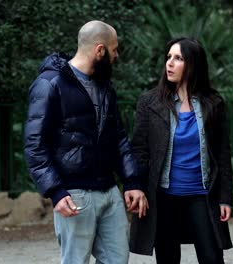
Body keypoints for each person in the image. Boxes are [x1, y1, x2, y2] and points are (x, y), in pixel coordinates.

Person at [23, 20, 148, 264]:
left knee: (117, 260)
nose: (116, 56)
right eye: (114, 50)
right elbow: (34, 144)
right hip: (74, 194)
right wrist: (56, 192)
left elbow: (118, 137)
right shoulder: (49, 84)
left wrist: (132, 180)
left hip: (109, 191)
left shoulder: (105, 88)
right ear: (99, 50)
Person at [129, 37, 233, 264]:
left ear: (193, 64)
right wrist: (136, 186)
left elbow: (223, 155)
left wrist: (225, 198)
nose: (170, 63)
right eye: (168, 57)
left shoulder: (213, 103)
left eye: (178, 58)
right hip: (164, 197)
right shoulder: (150, 102)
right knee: (168, 259)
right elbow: (139, 150)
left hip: (202, 195)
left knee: (212, 258)